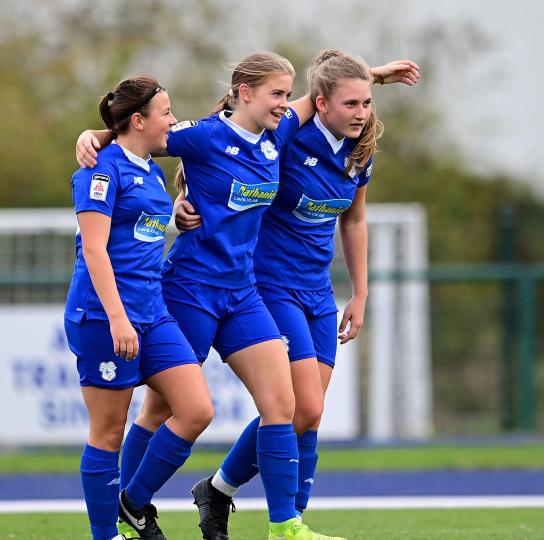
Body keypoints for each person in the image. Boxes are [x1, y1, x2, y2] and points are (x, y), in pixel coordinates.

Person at [76, 52, 418, 540]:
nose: (285, 103)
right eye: (276, 94)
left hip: (243, 293)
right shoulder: (204, 134)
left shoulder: (277, 135)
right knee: (160, 411)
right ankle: (130, 508)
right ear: (244, 91)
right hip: (191, 288)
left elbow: (320, 97)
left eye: (286, 94)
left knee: (286, 405)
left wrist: (376, 76)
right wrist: (95, 136)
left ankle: (285, 526)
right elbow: (142, 136)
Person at [178, 50, 419, 540]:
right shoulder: (288, 134)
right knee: (299, 406)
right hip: (269, 285)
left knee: (306, 413)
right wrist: (182, 198)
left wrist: (360, 294)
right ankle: (285, 525)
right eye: (351, 103)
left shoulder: (359, 150)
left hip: (317, 292)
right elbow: (223, 149)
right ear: (322, 104)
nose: (362, 112)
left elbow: (352, 221)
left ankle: (221, 491)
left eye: (368, 102)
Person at [65, 74, 215, 540]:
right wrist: (116, 318)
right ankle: (103, 535)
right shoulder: (99, 170)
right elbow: (94, 251)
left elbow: (142, 228)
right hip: (104, 318)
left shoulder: (149, 167)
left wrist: (176, 214)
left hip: (153, 313)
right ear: (138, 120)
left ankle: (131, 504)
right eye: (166, 112)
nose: (173, 120)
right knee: (108, 434)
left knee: (196, 410)